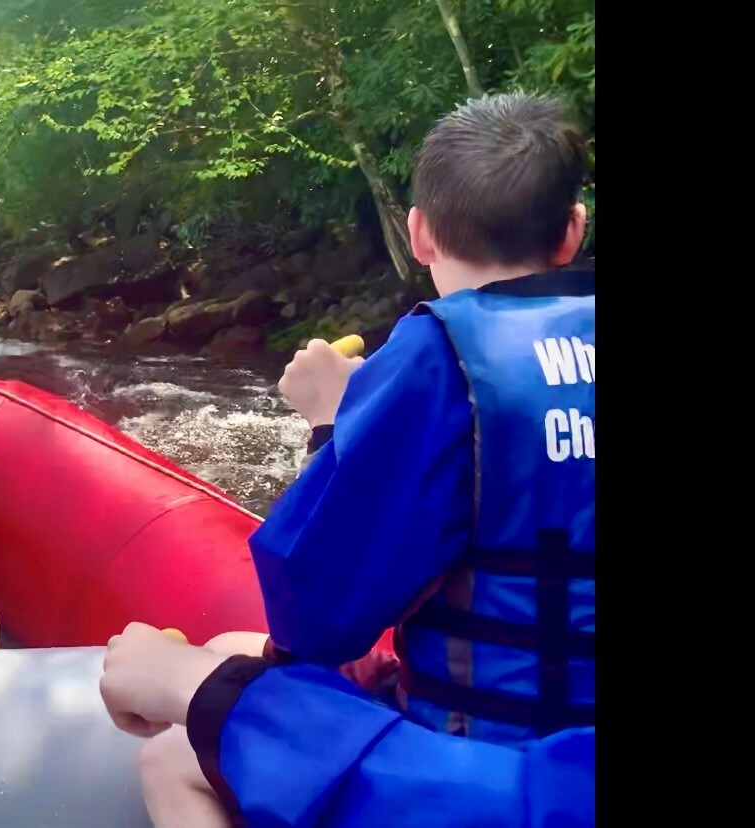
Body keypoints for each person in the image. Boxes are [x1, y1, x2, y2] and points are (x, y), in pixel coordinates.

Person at [101, 92, 593, 824]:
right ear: (572, 234)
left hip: (493, 771)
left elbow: (317, 620)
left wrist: (335, 426)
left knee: (171, 757)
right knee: (237, 644)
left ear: (419, 234)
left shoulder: (436, 356)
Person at [99, 624, 595, 827]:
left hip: (478, 769)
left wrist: (213, 692)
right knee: (233, 644)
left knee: (166, 757)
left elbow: (326, 608)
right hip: (511, 741)